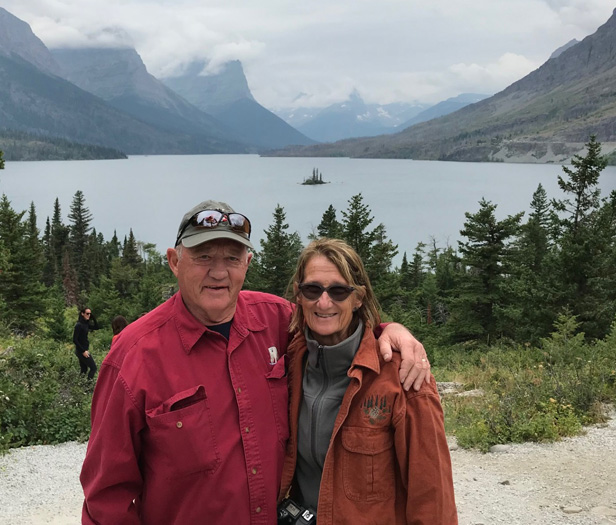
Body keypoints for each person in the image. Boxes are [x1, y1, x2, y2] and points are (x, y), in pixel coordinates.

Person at [80, 200, 432, 524]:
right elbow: (107, 496)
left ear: (247, 263)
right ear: (175, 261)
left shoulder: (277, 320)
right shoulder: (133, 357)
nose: (219, 273)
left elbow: (331, 318)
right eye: (204, 257)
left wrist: (390, 331)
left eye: (232, 258)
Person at [278, 238, 457, 524]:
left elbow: (433, 496)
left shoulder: (402, 376)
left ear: (358, 297)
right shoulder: (289, 362)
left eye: (338, 291)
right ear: (299, 295)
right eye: (312, 289)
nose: (324, 302)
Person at [73, 307, 101, 380]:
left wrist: (93, 318)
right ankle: (88, 385)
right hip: (81, 351)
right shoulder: (79, 325)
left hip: (83, 350)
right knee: (93, 368)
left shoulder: (86, 324)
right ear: (82, 314)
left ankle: (80, 386)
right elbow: (75, 339)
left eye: (90, 314)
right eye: (87, 313)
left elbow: (97, 327)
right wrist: (83, 351)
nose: (89, 315)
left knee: (84, 370)